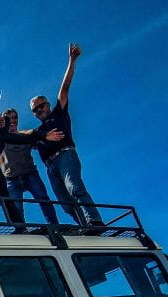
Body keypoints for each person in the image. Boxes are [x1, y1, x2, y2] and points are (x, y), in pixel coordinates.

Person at [0, 86, 64, 233]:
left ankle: (44, 228)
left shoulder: (4, 134)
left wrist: (44, 136)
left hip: (15, 171)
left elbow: (26, 137)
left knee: (23, 201)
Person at [30, 42, 104, 228]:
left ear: (48, 104)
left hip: (65, 156)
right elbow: (18, 136)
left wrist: (72, 60)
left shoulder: (58, 114)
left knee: (74, 187)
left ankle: (94, 220)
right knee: (64, 202)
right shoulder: (37, 133)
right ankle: (84, 225)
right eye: (35, 110)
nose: (39, 110)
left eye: (41, 106)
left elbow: (65, 87)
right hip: (50, 166)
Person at [0, 107, 59, 226]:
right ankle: (21, 230)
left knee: (43, 199)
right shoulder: (0, 139)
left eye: (14, 118)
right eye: (8, 118)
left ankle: (55, 226)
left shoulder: (25, 135)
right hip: (11, 178)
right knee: (16, 207)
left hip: (30, 174)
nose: (12, 121)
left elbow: (38, 138)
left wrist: (48, 138)